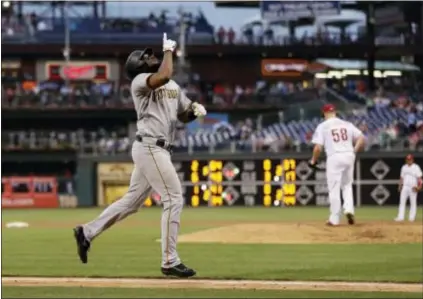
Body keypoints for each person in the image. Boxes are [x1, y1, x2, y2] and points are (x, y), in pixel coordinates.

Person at [73, 33, 207, 278]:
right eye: (147, 57)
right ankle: (170, 260)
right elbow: (164, 74)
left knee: (131, 202)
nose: (152, 56)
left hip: (158, 149)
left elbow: (183, 115)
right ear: (138, 66)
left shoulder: (173, 86)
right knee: (174, 198)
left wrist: (194, 111)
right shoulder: (140, 81)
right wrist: (169, 51)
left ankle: (87, 232)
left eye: (153, 54)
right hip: (150, 147)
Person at [309, 104, 365, 226]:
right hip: (349, 155)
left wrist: (313, 160)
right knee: (347, 186)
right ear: (335, 112)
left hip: (334, 156)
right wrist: (354, 150)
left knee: (334, 188)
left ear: (324, 114)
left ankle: (334, 219)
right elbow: (361, 137)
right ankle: (349, 210)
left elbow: (318, 148)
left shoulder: (323, 126)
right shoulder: (347, 124)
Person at [395, 154, 422, 222]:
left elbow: (419, 178)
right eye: (407, 159)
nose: (409, 161)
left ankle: (411, 218)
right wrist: (400, 186)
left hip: (413, 187)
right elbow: (401, 177)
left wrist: (419, 187)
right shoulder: (404, 167)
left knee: (413, 203)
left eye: (410, 159)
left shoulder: (416, 167)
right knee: (402, 202)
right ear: (406, 160)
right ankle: (400, 217)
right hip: (405, 186)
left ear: (412, 160)